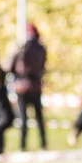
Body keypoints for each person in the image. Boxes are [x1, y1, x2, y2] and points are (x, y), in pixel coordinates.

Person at [9, 20, 50, 148]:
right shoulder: (41, 48)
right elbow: (43, 66)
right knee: (39, 117)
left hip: (21, 87)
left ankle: (22, 145)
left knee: (23, 118)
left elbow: (10, 65)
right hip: (36, 85)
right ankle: (43, 143)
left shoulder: (21, 47)